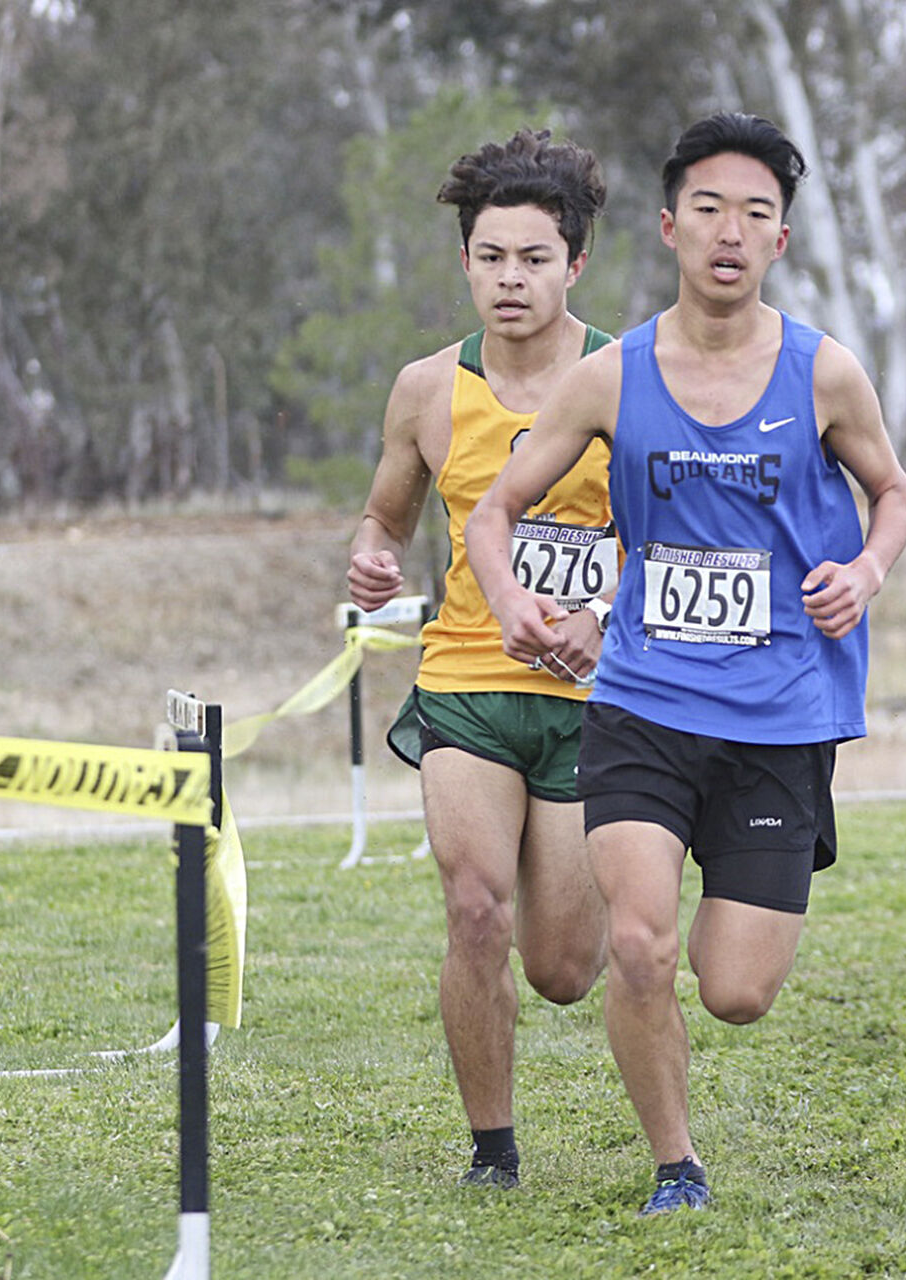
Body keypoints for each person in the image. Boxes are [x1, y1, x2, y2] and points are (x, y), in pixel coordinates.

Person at [464, 111, 906, 1216]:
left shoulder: (825, 373)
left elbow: (896, 496)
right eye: (708, 209)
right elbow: (497, 508)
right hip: (642, 703)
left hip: (777, 714)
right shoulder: (615, 375)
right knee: (636, 937)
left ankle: (713, 1016)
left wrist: (864, 572)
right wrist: (516, 597)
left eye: (754, 214)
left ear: (781, 240)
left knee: (737, 989)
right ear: (669, 227)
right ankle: (677, 1163)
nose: (729, 231)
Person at [346, 128, 617, 1189]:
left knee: (562, 967)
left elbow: (672, 534)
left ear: (575, 264)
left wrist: (609, 613)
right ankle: (492, 1149)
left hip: (591, 696)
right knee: (473, 908)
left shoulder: (625, 378)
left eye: (534, 258)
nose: (511, 279)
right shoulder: (425, 390)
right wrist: (371, 560)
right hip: (464, 679)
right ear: (466, 260)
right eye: (492, 257)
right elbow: (384, 519)